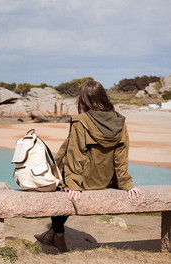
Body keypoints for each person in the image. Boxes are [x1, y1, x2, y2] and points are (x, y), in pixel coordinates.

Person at [34, 80, 141, 252]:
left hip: (84, 180)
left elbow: (76, 155)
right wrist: (126, 183)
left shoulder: (81, 120)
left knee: (58, 188)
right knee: (63, 187)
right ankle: (51, 234)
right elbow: (121, 155)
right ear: (103, 97)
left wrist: (73, 184)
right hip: (104, 179)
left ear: (84, 101)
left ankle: (58, 236)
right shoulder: (119, 121)